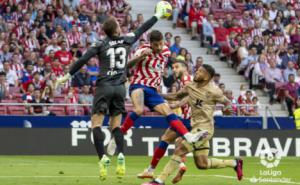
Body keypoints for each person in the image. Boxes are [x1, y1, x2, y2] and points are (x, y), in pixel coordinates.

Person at [56, 7, 168, 181]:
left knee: (96, 125)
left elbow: (83, 59)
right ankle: (121, 155)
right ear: (116, 29)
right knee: (116, 126)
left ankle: (103, 159)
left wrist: (67, 75)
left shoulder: (99, 44)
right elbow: (143, 28)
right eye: (118, 24)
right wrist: (158, 15)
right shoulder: (126, 39)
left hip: (104, 87)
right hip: (120, 88)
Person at [143, 64, 243, 185]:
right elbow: (175, 96)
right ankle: (234, 163)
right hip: (194, 127)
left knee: (180, 150)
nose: (196, 72)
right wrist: (155, 96)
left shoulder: (214, 91)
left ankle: (159, 181)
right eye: (197, 70)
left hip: (205, 130)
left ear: (206, 77)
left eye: (200, 71)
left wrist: (225, 111)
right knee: (202, 164)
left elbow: (228, 102)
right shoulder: (191, 86)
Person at [137, 60, 192, 179]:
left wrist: (175, 105)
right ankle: (180, 165)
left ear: (185, 67)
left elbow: (190, 95)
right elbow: (177, 96)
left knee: (166, 139)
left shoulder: (186, 79)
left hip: (189, 119)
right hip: (190, 119)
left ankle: (151, 170)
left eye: (177, 67)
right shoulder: (184, 80)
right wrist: (158, 96)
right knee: (180, 145)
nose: (174, 70)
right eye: (174, 68)